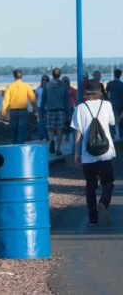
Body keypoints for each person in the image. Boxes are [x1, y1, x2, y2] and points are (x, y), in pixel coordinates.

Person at [71, 80, 115, 226]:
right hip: (105, 152)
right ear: (99, 92)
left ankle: (92, 218)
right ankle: (103, 203)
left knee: (90, 185)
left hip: (88, 153)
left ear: (86, 93)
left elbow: (78, 132)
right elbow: (111, 123)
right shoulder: (106, 105)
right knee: (108, 182)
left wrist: (77, 153)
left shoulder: (80, 108)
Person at [0, 69, 38, 144]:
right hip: (23, 112)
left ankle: (14, 147)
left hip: (13, 112)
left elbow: (5, 100)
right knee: (21, 132)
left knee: (13, 132)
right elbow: (32, 98)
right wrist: (34, 109)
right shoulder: (26, 86)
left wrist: (3, 112)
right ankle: (19, 148)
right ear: (22, 76)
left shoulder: (10, 86)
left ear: (14, 76)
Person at [42, 68, 69, 156]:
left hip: (50, 110)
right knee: (59, 130)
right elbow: (66, 101)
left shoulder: (46, 86)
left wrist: (42, 111)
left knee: (50, 129)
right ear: (60, 75)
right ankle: (58, 149)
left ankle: (51, 140)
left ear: (52, 75)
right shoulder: (63, 86)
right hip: (61, 110)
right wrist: (68, 113)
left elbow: (43, 99)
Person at [106, 69, 123, 139]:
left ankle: (112, 133)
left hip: (112, 103)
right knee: (121, 120)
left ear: (114, 74)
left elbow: (106, 92)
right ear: (120, 75)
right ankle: (121, 134)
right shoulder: (122, 84)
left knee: (111, 119)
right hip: (120, 103)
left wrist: (108, 100)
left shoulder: (110, 83)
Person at [62, 76, 78, 142]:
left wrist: (77, 106)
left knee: (69, 122)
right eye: (64, 81)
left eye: (66, 81)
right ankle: (66, 135)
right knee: (64, 123)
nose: (66, 83)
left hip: (70, 108)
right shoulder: (61, 89)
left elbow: (75, 99)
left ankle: (67, 136)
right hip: (63, 108)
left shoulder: (72, 90)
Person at [35, 75, 50, 141]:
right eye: (43, 80)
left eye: (46, 80)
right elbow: (35, 98)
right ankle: (41, 135)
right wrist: (34, 108)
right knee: (41, 121)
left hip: (48, 107)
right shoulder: (38, 89)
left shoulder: (49, 89)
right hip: (40, 106)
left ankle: (46, 136)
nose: (44, 81)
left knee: (47, 121)